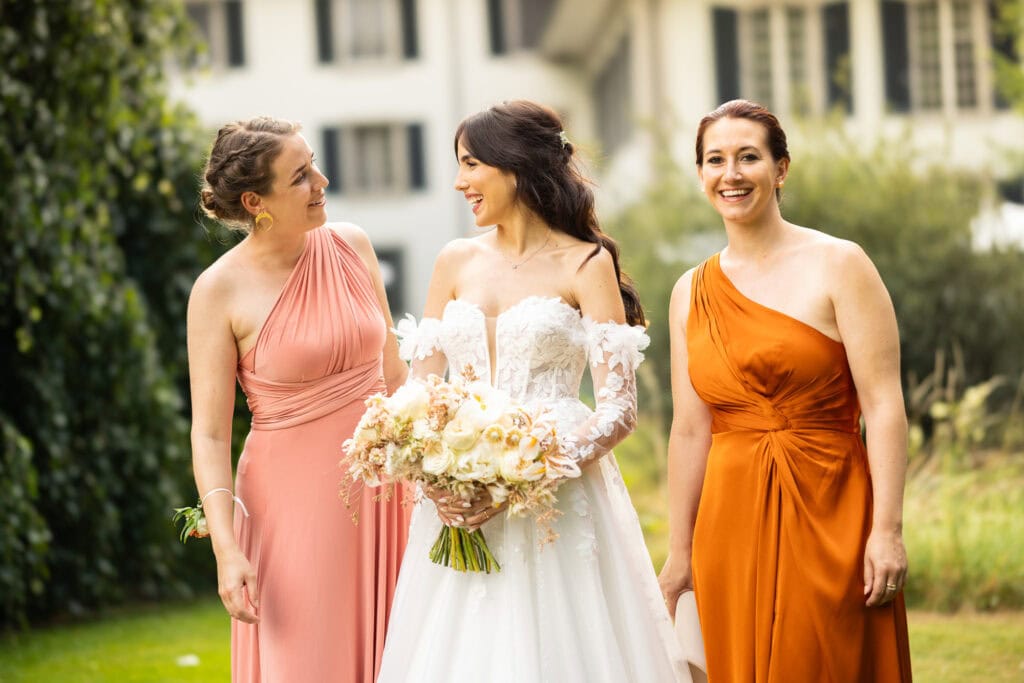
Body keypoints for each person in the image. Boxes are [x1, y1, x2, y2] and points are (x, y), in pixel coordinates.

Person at [376, 100, 690, 682]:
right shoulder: (454, 261)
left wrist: (528, 472)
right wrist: (433, 479)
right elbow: (419, 394)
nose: (459, 182)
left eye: (471, 165)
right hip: (458, 507)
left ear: (513, 165)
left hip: (556, 502)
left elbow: (619, 410)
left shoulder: (585, 263)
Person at [658, 99, 913, 681]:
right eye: (716, 160)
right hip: (730, 518)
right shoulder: (687, 292)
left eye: (749, 157)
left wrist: (888, 530)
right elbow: (691, 428)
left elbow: (884, 405)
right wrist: (680, 552)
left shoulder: (840, 264)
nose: (732, 174)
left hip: (831, 505)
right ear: (700, 174)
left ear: (781, 169)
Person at [187, 117, 410, 682]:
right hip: (293, 507)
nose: (322, 180)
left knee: (408, 653)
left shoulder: (353, 246)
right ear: (255, 200)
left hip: (391, 491)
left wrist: (438, 468)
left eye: (313, 164)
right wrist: (226, 550)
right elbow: (210, 433)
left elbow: (395, 374)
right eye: (302, 176)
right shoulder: (218, 290)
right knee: (312, 660)